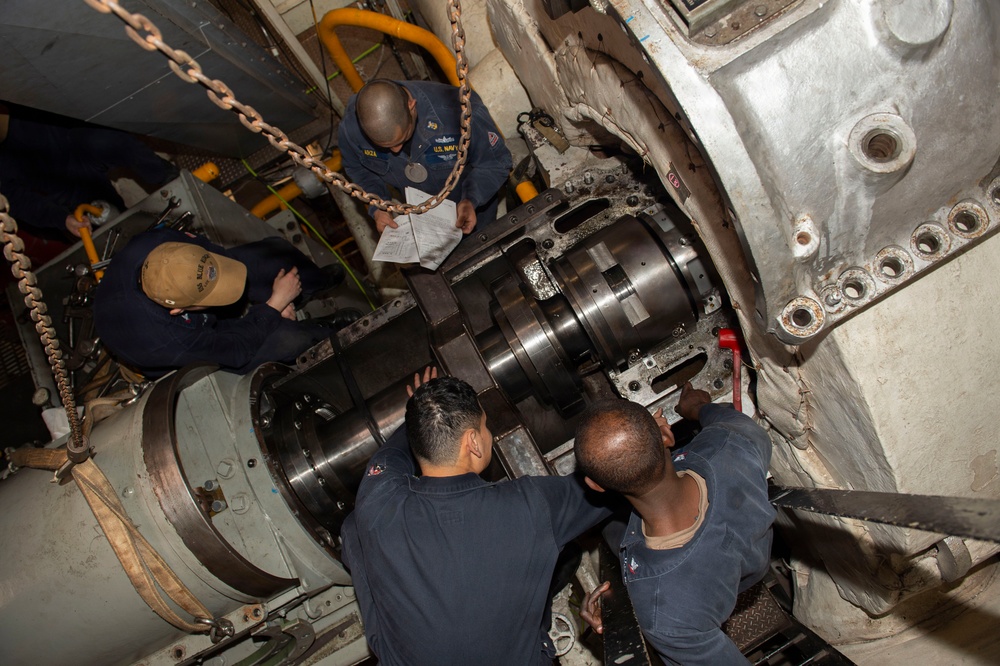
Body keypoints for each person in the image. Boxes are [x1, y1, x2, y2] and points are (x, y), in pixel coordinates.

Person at [341, 371, 611, 666]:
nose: (488, 434)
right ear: (473, 442)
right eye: (484, 427)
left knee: (355, 528)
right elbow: (620, 480)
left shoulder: (377, 498)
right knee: (566, 552)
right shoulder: (531, 505)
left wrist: (426, 414)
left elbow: (390, 454)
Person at [574, 382, 775, 665]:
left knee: (609, 527)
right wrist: (697, 408)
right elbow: (736, 424)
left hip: (698, 588)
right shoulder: (731, 445)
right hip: (747, 566)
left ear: (595, 486)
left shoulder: (661, 611)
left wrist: (623, 617)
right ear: (667, 435)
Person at [94, 227, 340, 378]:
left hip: (194, 298)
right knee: (289, 340)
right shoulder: (167, 339)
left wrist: (270, 298)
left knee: (274, 252)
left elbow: (212, 251)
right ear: (177, 310)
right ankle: (331, 332)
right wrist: (273, 306)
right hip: (200, 342)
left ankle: (315, 281)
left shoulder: (159, 245)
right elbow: (235, 351)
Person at [337, 79, 513, 236]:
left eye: (401, 139)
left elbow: (495, 163)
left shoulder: (455, 112)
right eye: (385, 146)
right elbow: (359, 170)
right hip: (425, 222)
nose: (396, 150)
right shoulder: (350, 131)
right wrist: (378, 207)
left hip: (472, 209)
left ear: (411, 107)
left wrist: (471, 199)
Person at [0, 101, 178, 240]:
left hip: (76, 142)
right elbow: (20, 203)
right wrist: (62, 219)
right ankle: (156, 237)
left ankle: (171, 178)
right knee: (113, 221)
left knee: (113, 143)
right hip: (64, 186)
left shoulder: (17, 97)